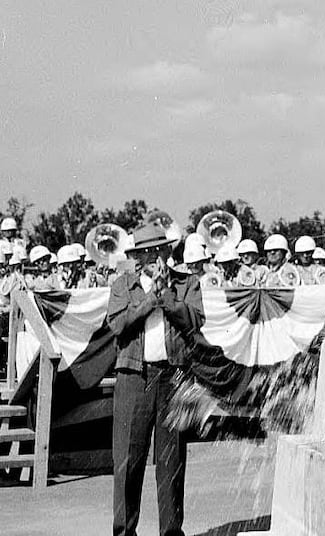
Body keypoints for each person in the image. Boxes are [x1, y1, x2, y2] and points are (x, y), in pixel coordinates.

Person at [106, 222, 191, 536]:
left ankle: (171, 532)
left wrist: (166, 296)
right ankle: (124, 531)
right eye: (146, 251)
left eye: (159, 249)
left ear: (167, 251)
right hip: (133, 378)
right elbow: (116, 324)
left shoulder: (185, 282)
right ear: (137, 257)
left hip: (172, 379)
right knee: (128, 461)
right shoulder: (122, 286)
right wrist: (148, 302)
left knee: (172, 463)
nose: (154, 256)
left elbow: (195, 320)